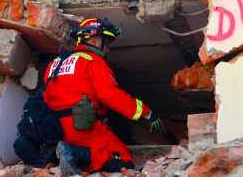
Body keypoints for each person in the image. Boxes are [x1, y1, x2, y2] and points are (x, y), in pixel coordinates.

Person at [43, 18, 163, 175]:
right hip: (83, 130)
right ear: (94, 40)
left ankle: (58, 157)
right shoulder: (94, 61)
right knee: (121, 156)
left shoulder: (54, 64)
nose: (108, 50)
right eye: (106, 45)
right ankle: (74, 153)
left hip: (54, 130)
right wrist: (145, 113)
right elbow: (111, 95)